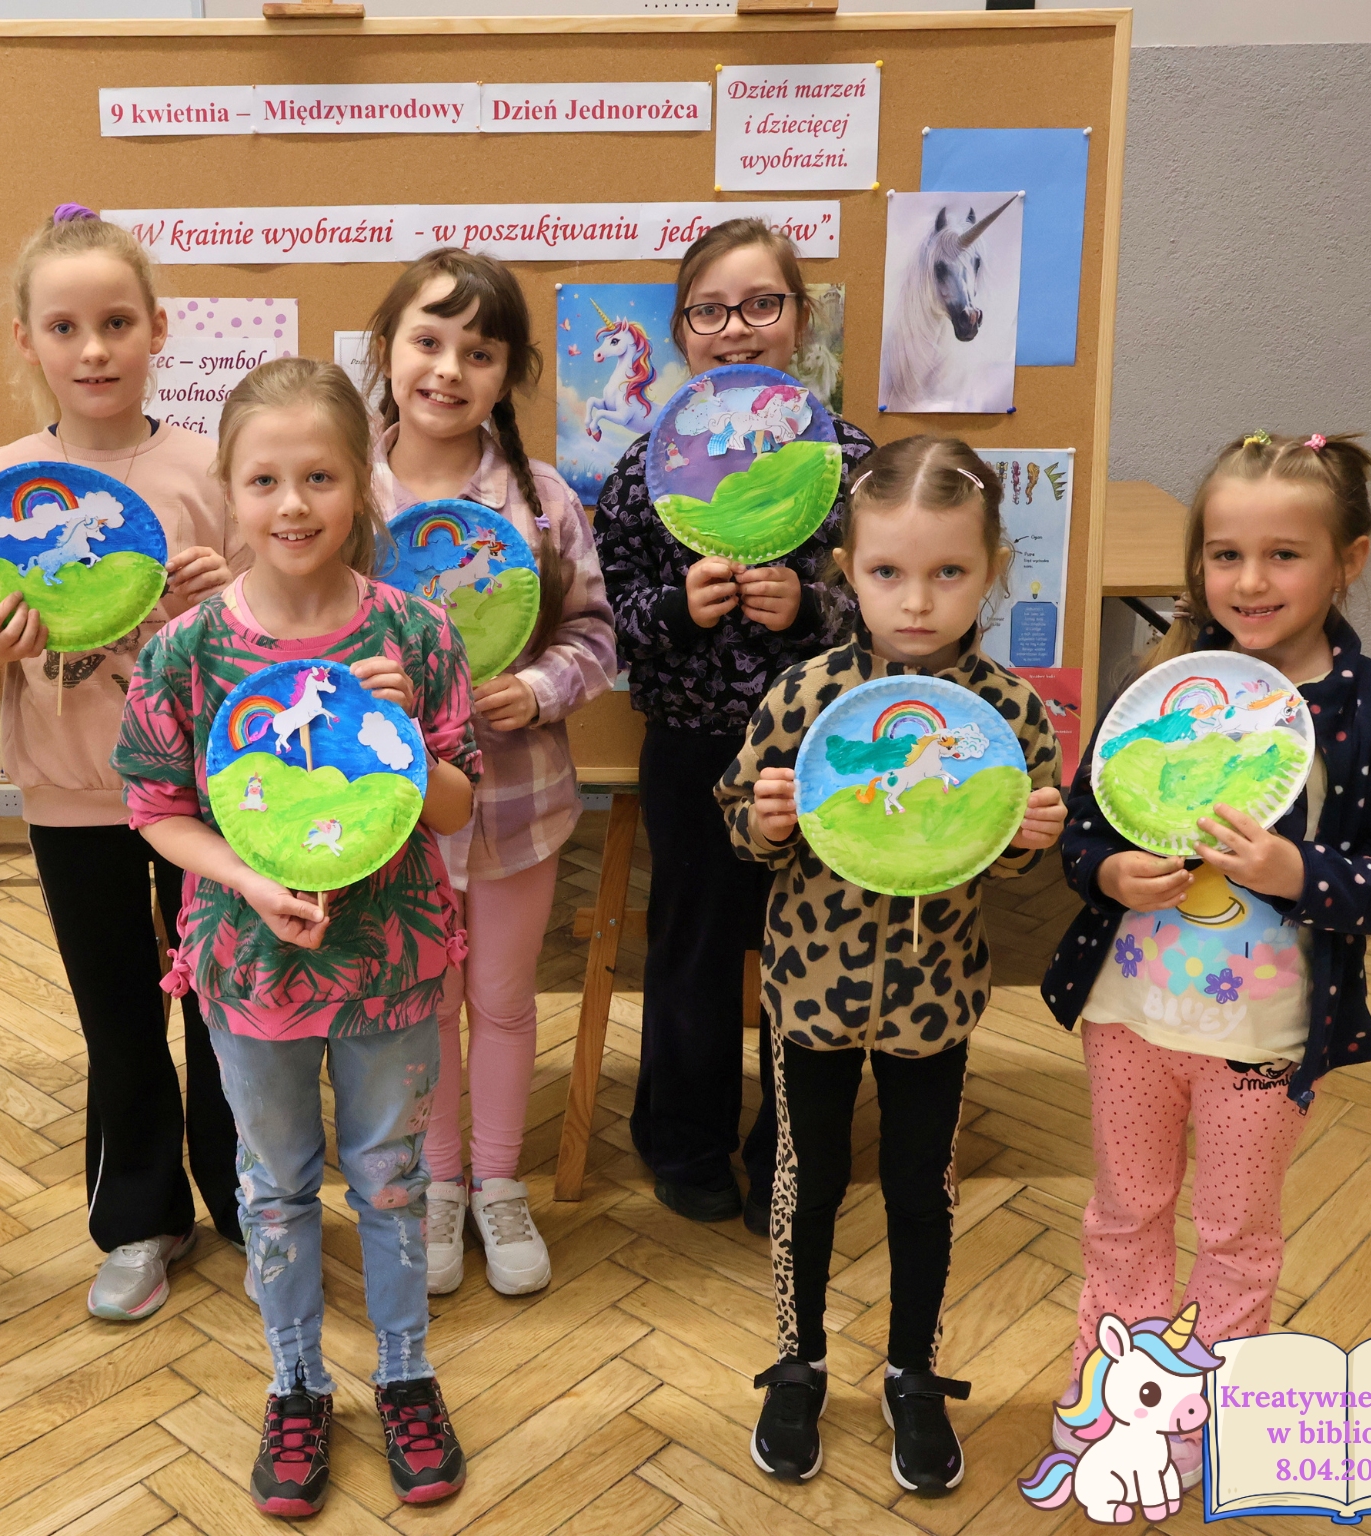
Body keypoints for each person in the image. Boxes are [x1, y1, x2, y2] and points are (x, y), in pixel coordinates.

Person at [1042, 431, 1371, 1489]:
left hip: (1264, 1042)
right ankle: (1114, 1394)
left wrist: (1295, 871)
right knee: (1124, 1214)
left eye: (1283, 555)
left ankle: (1204, 1408)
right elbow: (1083, 831)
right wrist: (1107, 872)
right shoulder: (1155, 689)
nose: (1250, 581)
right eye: (1225, 555)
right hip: (1128, 1017)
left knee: (1233, 1233)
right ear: (1198, 564)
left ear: (1347, 561)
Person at [114, 357, 479, 1518]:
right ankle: (296, 1385)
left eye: (319, 476)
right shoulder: (185, 650)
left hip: (392, 964)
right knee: (272, 1186)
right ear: (227, 489)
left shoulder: (416, 635)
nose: (292, 503)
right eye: (264, 479)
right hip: (251, 964)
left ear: (360, 484)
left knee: (390, 1178)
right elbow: (155, 808)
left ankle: (405, 1375)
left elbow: (458, 803)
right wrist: (246, 880)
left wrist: (404, 736)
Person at [718, 436, 1067, 1493]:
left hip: (934, 996)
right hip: (808, 988)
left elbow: (1014, 865)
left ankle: (913, 1369)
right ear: (847, 572)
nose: (916, 600)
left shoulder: (1008, 714)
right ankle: (798, 1362)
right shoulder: (803, 696)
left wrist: (1027, 840)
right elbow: (735, 817)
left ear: (991, 570)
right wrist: (764, 819)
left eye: (948, 571)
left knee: (921, 1186)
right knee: (807, 1179)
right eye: (887, 571)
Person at [0, 205, 246, 1322]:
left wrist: (230, 593)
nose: (94, 350)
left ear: (157, 329)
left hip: (210, 793)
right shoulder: (3, 481)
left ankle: (249, 1202)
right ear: (27, 341)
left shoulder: (209, 468)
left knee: (225, 1008)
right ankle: (137, 1218)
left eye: (116, 323)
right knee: (117, 1012)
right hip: (72, 792)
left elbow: (275, 623)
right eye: (65, 328)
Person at [595, 218, 875, 1230]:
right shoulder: (643, 472)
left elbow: (897, 614)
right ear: (681, 332)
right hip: (694, 746)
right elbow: (614, 621)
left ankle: (791, 1150)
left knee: (811, 950)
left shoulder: (851, 463)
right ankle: (683, 1138)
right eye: (709, 311)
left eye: (761, 304)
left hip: (823, 750)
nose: (736, 328)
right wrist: (677, 609)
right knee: (694, 946)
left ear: (801, 321)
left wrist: (812, 609)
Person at [363, 249, 617, 1297]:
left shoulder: (541, 500)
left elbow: (595, 636)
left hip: (517, 802)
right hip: (394, 808)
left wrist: (541, 689)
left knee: (504, 1001)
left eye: (479, 352)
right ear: (385, 349)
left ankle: (498, 1185)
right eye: (427, 341)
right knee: (423, 1004)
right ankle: (436, 1186)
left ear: (509, 373)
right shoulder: (345, 492)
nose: (447, 369)